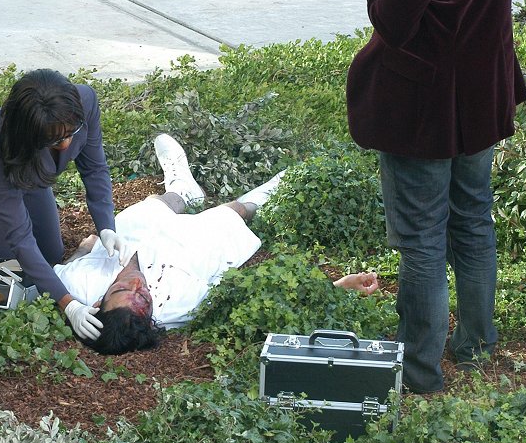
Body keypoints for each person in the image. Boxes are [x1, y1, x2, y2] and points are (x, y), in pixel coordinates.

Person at [342, 0, 526, 394]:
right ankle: (476, 345)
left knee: (422, 239)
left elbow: (396, 23)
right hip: (483, 90)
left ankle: (421, 372)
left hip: (423, 106)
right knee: (473, 220)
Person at [56, 134, 379, 354]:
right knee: (231, 214)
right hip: (189, 255)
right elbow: (250, 304)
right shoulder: (179, 306)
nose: (139, 285)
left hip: (130, 241)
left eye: (126, 291)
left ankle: (182, 189)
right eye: (145, 297)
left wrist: (84, 249)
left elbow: (60, 270)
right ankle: (265, 194)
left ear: (98, 302)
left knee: (154, 206)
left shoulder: (79, 288)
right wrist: (335, 287)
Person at [0, 69, 132, 342]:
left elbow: (94, 169)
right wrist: (68, 303)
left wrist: (107, 226)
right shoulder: (0, 146)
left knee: (51, 254)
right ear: (30, 134)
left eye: (72, 132)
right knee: (12, 266)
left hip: (32, 175)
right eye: (56, 140)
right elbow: (20, 238)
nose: (68, 143)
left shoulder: (85, 101)